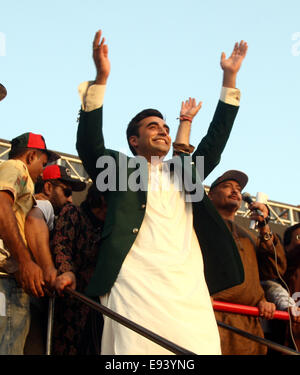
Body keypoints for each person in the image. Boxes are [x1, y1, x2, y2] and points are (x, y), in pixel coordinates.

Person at [75, 30, 247, 355]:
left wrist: (230, 79)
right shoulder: (120, 169)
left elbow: (216, 139)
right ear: (133, 141)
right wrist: (100, 79)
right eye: (153, 127)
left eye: (166, 128)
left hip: (186, 286)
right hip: (133, 282)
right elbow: (88, 145)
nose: (163, 131)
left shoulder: (183, 173)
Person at [207, 170, 286, 355]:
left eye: (238, 189)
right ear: (210, 195)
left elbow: (275, 270)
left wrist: (264, 226)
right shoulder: (198, 226)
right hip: (213, 316)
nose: (235, 191)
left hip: (250, 322)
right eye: (227, 186)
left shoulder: (250, 235)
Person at [0, 132, 59, 354]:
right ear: (30, 156)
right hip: (4, 278)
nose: (43, 172)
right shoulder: (16, 168)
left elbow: (30, 221)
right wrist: (25, 262)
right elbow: (1, 206)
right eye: (43, 164)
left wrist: (44, 268)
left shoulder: (23, 183)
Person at [23, 164, 86, 354]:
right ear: (48, 188)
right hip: (28, 296)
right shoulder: (44, 204)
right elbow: (34, 221)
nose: (70, 199)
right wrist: (49, 270)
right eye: (66, 191)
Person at [50, 183, 106, 355]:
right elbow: (62, 244)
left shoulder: (110, 227)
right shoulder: (73, 213)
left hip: (95, 306)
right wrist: (67, 270)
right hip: (69, 299)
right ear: (104, 198)